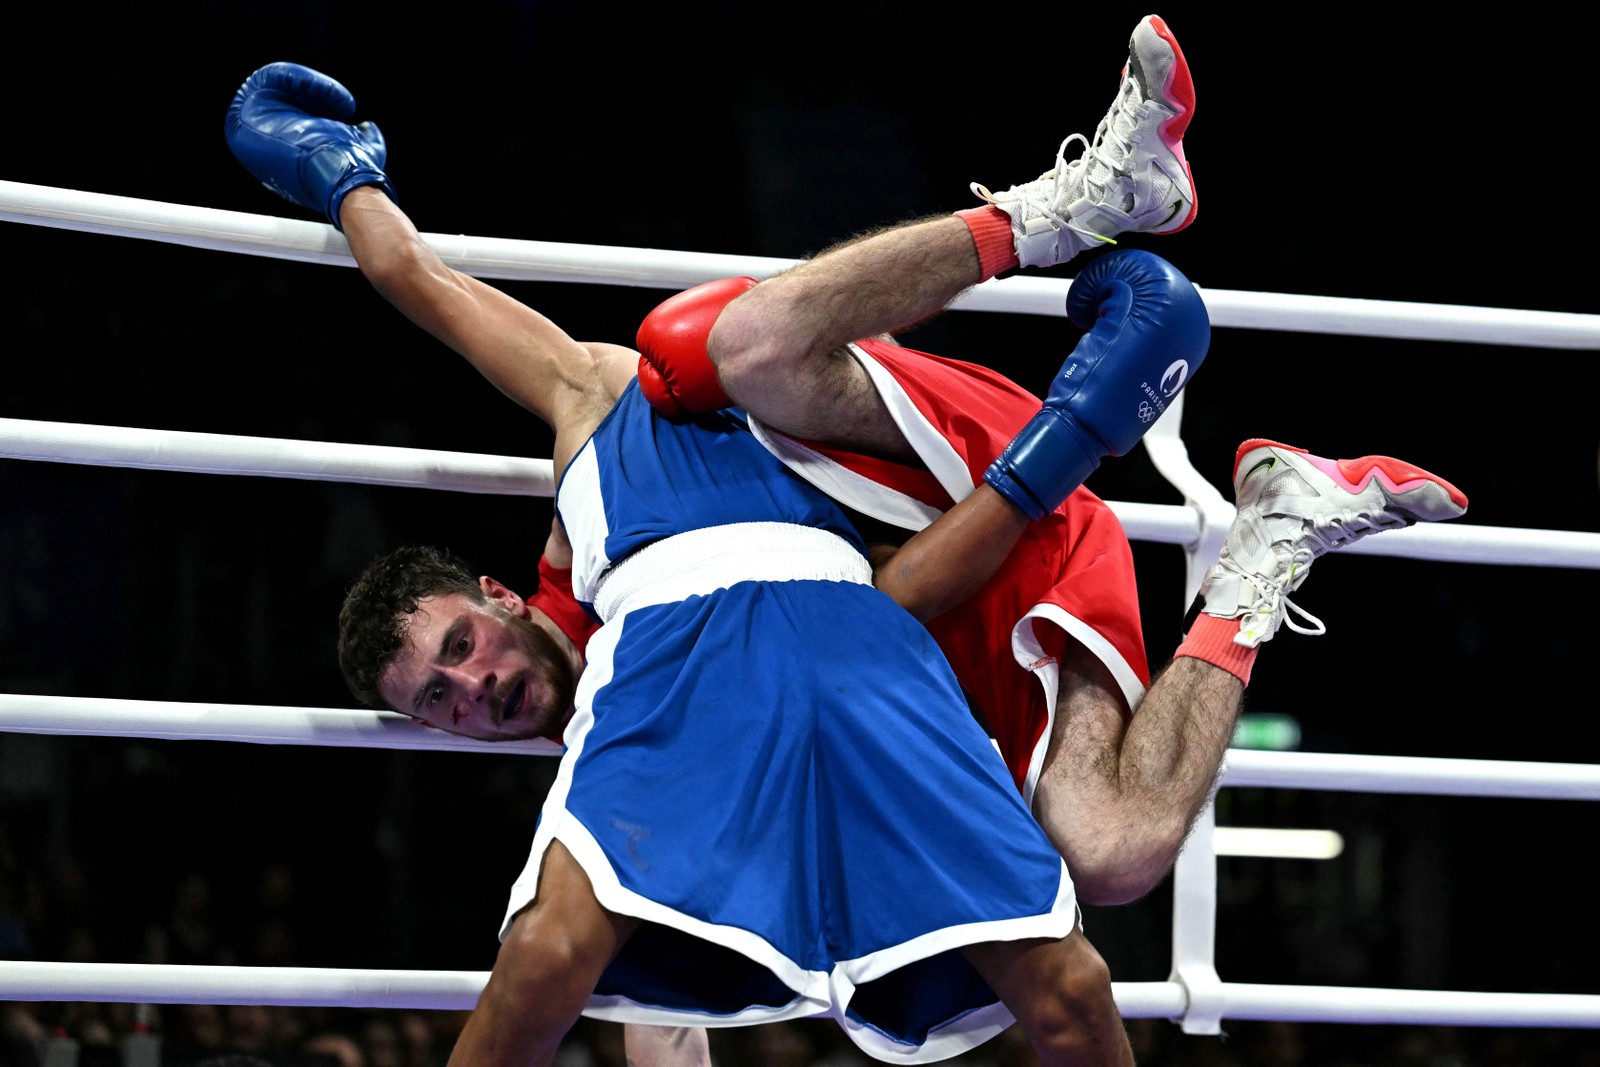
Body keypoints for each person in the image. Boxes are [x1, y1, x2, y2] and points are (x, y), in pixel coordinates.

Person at [223, 14, 1467, 1065]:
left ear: (493, 595)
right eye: (441, 701)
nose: (475, 685)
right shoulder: (613, 720)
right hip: (912, 606)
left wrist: (343, 177)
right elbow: (897, 598)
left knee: (696, 344)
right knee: (1103, 900)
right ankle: (1262, 553)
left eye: (457, 648)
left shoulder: (595, 404)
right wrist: (1076, 436)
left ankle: (1064, 208)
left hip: (903, 503)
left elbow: (426, 286)